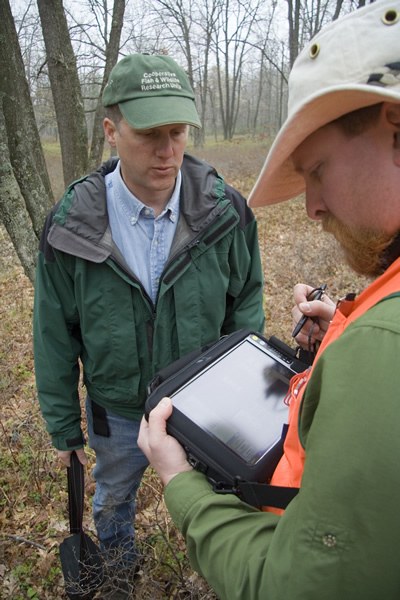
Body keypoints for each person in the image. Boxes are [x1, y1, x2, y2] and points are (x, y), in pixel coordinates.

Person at [138, 3, 400, 599]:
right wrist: (344, 334)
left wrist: (180, 481)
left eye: (317, 170)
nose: (311, 207)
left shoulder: (385, 349)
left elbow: (296, 588)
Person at [33, 53, 265, 596]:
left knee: (220, 503)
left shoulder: (224, 212)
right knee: (113, 498)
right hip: (118, 409)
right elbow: (53, 334)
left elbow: (246, 305)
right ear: (112, 131)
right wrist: (64, 427)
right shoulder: (73, 228)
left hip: (204, 407)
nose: (168, 151)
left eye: (178, 132)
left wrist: (243, 396)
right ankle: (117, 575)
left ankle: (216, 578)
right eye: (149, 134)